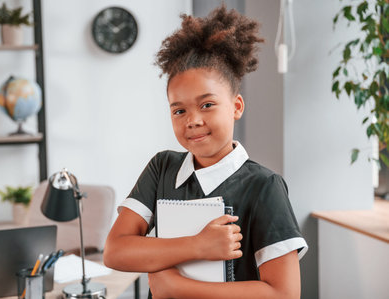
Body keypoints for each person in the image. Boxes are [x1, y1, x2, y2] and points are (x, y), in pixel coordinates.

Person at [104, 5, 308, 299]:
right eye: (179, 110)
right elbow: (115, 251)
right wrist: (198, 245)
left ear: (236, 106)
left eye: (207, 104)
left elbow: (284, 294)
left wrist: (175, 286)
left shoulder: (264, 187)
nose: (192, 120)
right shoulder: (163, 168)